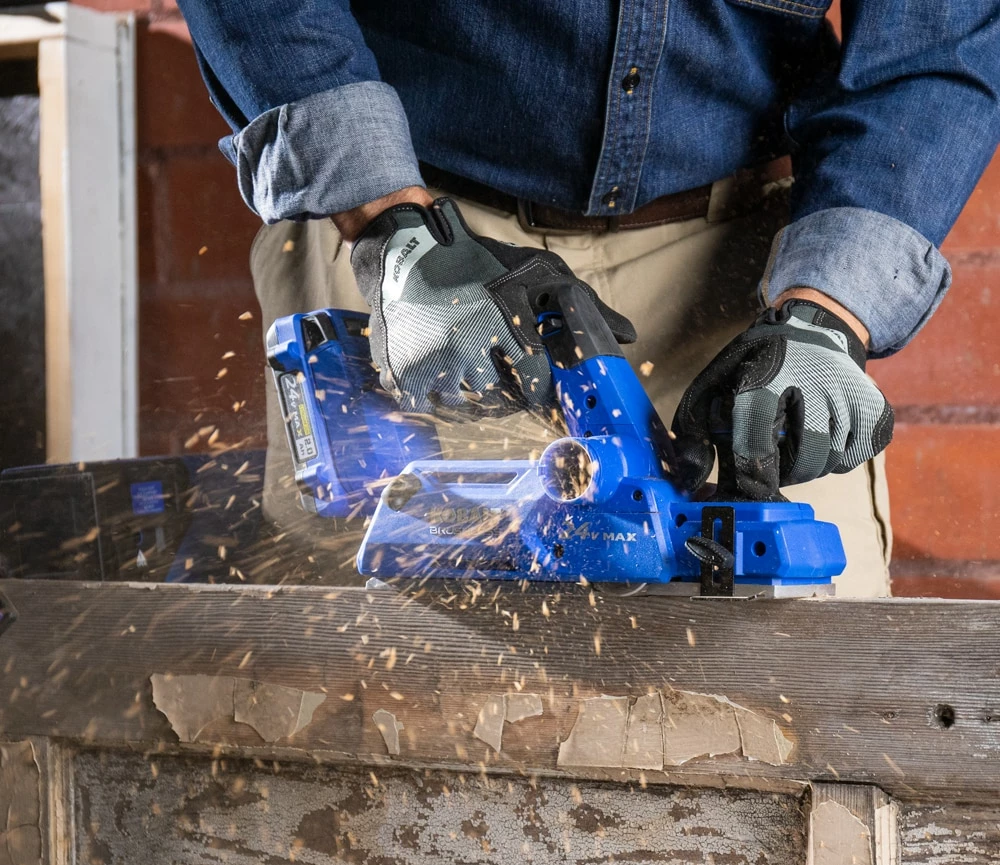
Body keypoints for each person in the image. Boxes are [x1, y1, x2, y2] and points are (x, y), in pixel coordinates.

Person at [176, 0, 999, 595]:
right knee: (366, 682)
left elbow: (935, 47)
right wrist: (390, 229)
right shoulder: (393, 228)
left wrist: (828, 315)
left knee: (806, 684)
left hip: (743, 272)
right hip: (414, 233)